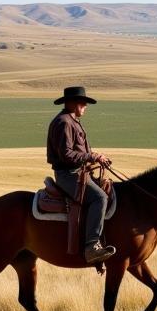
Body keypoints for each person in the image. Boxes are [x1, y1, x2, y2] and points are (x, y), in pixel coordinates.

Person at [46, 86, 116, 265]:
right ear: (70, 103)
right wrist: (93, 156)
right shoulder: (64, 123)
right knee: (100, 197)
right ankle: (92, 246)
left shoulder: (72, 121)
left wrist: (95, 158)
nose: (85, 105)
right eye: (81, 102)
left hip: (78, 172)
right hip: (68, 175)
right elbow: (67, 155)